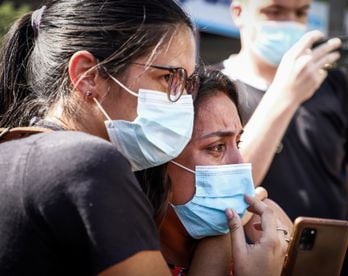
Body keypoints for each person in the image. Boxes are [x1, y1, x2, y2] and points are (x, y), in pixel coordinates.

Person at [0, 1, 286, 275]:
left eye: (187, 84)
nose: (182, 101)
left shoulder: (13, 148)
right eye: (168, 79)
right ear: (88, 76)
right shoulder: (88, 164)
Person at [215, 1, 348, 275]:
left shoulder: (332, 83)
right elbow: (227, 190)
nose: (290, 22)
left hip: (344, 263)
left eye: (301, 12)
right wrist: (285, 95)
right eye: (275, 11)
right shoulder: (216, 88)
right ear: (238, 12)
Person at [139, 69, 292, 275]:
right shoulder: (129, 256)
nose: (240, 162)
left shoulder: (265, 234)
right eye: (217, 147)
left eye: (238, 142)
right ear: (161, 158)